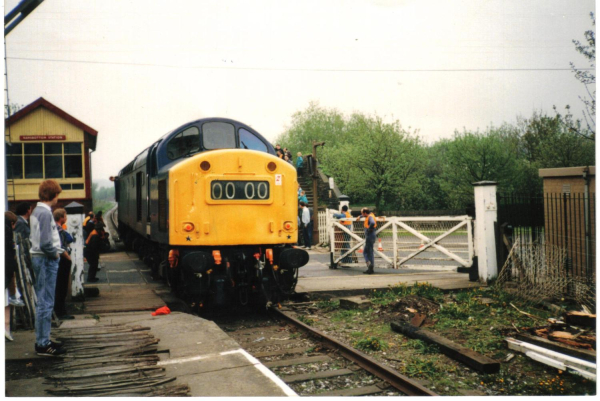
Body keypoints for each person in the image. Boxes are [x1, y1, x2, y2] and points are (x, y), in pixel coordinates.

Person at [30, 179, 66, 356]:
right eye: (57, 195)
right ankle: (43, 344)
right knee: (45, 302)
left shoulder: (37, 211)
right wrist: (55, 253)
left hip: (41, 259)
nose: (58, 199)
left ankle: (43, 339)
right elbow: (45, 242)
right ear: (53, 194)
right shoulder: (44, 213)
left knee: (44, 301)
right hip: (46, 259)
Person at [53, 209, 73, 320]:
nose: (66, 218)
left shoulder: (56, 228)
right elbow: (60, 247)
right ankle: (61, 312)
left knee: (59, 286)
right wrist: (68, 258)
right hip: (62, 260)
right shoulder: (58, 229)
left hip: (58, 260)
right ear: (61, 217)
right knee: (62, 286)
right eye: (66, 215)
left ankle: (60, 310)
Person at [5, 212, 19, 341]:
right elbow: (10, 255)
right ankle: (6, 329)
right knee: (6, 302)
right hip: (6, 271)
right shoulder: (8, 233)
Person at [358, 208, 377, 275]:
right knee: (369, 251)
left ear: (365, 213)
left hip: (370, 236)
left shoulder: (370, 217)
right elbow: (366, 216)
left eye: (362, 213)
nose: (362, 214)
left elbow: (372, 223)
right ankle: (370, 267)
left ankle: (370, 266)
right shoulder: (370, 215)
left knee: (366, 252)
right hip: (372, 235)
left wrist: (369, 229)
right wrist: (360, 216)